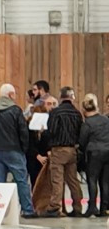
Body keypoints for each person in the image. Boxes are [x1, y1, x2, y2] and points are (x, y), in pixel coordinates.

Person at [0, 83, 35, 217]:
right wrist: (24, 148)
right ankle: (27, 210)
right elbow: (23, 132)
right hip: (14, 150)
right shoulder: (16, 110)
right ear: (11, 95)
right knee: (21, 180)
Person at [45, 86, 85, 217]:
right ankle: (77, 206)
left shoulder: (56, 112)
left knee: (57, 179)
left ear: (60, 97)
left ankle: (55, 207)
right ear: (72, 97)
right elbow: (80, 132)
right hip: (72, 149)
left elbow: (52, 131)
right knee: (73, 180)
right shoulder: (77, 113)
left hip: (58, 149)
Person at [80, 94, 109, 218]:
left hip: (94, 154)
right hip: (108, 151)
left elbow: (82, 141)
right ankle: (104, 208)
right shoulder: (106, 119)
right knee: (105, 181)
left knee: (92, 180)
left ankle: (92, 207)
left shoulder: (87, 123)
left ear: (84, 109)